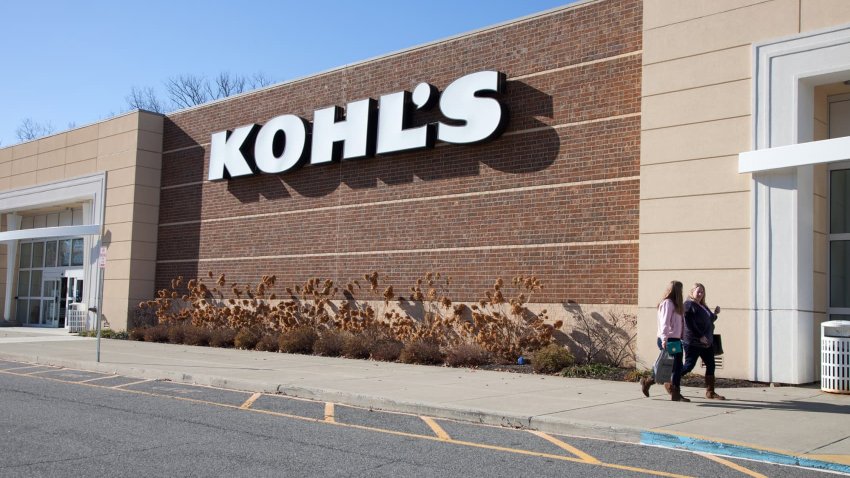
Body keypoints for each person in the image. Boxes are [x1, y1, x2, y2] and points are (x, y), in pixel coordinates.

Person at [640, 281, 689, 402]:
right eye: (678, 289)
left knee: (675, 367)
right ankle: (673, 392)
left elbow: (680, 324)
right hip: (668, 339)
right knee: (671, 366)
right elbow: (664, 323)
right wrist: (664, 339)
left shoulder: (677, 305)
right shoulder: (667, 304)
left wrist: (682, 336)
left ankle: (650, 382)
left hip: (676, 339)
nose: (680, 291)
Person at [682, 283, 725, 400]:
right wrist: (700, 336)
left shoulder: (702, 306)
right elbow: (689, 323)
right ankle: (669, 380)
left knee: (711, 365)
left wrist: (715, 313)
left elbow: (710, 319)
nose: (700, 294)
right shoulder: (688, 305)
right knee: (688, 366)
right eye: (698, 291)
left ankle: (710, 392)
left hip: (706, 342)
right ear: (692, 292)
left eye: (702, 292)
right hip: (693, 341)